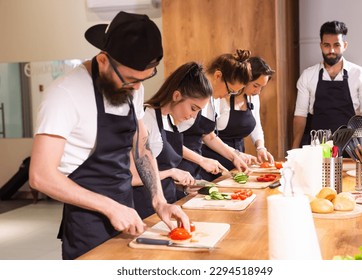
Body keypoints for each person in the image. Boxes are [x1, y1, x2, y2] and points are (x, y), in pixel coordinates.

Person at [28, 12, 190, 260]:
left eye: (143, 80)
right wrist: (109, 207)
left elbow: (142, 149)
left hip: (127, 212)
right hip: (88, 223)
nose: (137, 88)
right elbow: (40, 176)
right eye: (131, 80)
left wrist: (159, 200)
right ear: (103, 60)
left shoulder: (133, 87)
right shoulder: (64, 94)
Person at [131, 61, 212, 219]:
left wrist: (184, 187)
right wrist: (172, 172)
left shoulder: (170, 121)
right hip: (146, 211)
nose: (193, 117)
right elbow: (133, 177)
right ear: (176, 96)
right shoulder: (147, 120)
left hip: (169, 206)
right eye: (193, 108)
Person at [292, 20, 362, 148]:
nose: (331, 50)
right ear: (321, 45)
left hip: (352, 148)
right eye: (327, 45)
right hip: (316, 148)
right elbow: (300, 116)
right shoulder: (308, 76)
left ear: (345, 45)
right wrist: (295, 149)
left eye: (336, 45)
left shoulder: (360, 75)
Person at [177, 49, 253, 186]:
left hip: (194, 166)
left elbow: (209, 136)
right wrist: (201, 160)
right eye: (230, 91)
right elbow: (170, 141)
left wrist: (234, 157)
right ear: (218, 75)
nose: (228, 96)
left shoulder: (214, 100)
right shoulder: (192, 95)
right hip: (178, 165)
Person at [200, 56, 275, 181]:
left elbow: (209, 135)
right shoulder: (218, 96)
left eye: (262, 87)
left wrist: (260, 148)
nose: (258, 92)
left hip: (233, 157)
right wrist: (235, 155)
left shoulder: (251, 97)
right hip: (212, 157)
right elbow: (207, 136)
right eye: (256, 85)